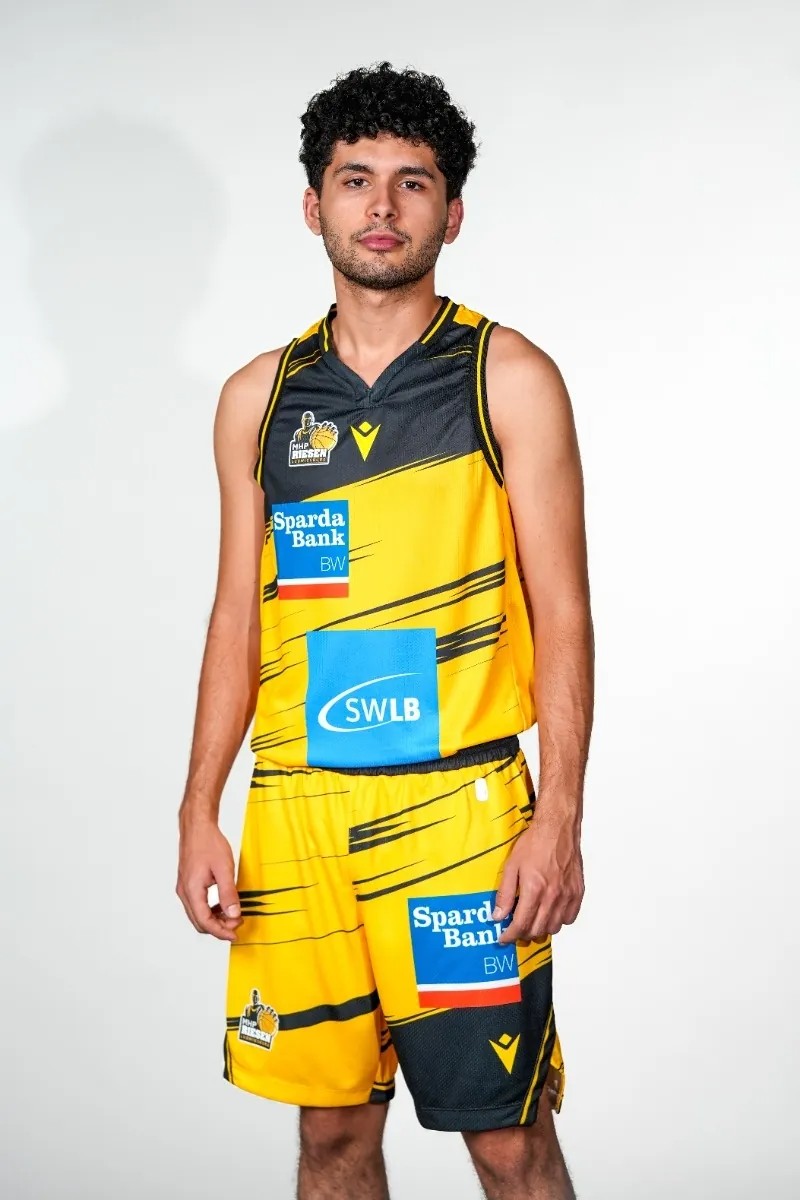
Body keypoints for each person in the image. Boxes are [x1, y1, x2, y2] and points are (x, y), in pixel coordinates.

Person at [176, 61, 593, 1200]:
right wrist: (199, 807)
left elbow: (564, 614)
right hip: (298, 815)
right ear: (313, 204)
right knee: (330, 1139)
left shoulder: (507, 377)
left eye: (413, 182)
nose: (381, 205)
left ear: (451, 213)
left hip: (459, 815)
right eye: (355, 179)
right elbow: (234, 615)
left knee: (506, 1140)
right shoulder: (259, 398)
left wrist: (558, 813)